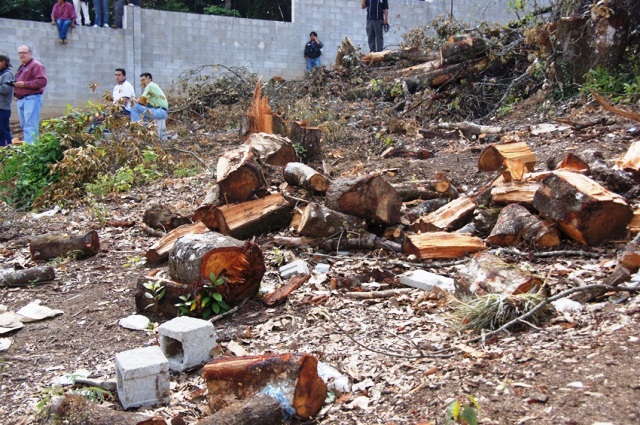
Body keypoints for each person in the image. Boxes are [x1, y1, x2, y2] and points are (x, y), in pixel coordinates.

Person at [13, 45, 47, 144]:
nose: (22, 55)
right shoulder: (23, 66)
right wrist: (16, 93)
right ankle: (29, 148)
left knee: (30, 126)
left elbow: (42, 81)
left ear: (30, 54)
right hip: (22, 99)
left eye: (24, 52)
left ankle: (31, 150)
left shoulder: (36, 65)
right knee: (25, 126)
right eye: (20, 53)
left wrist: (24, 84)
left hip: (31, 99)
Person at [0, 54, 14, 147]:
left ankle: (7, 149)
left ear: (3, 62)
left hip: (3, 107)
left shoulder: (7, 74)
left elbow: (5, 89)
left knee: (3, 130)